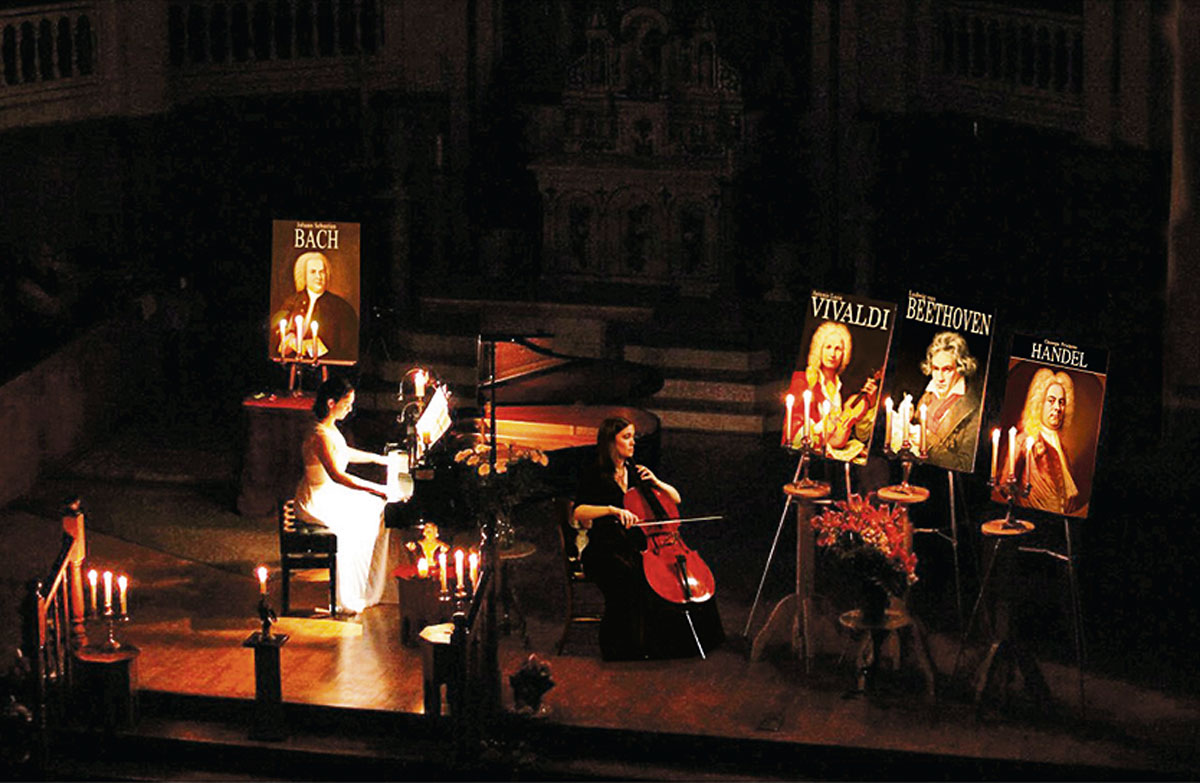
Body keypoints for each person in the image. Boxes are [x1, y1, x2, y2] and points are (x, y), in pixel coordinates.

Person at [572, 417, 723, 661]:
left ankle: (681, 643)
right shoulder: (595, 474)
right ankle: (623, 648)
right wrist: (612, 509)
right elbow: (579, 512)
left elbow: (676, 499)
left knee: (666, 577)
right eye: (626, 437)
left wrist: (656, 482)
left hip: (637, 546)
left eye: (633, 436)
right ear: (611, 442)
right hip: (604, 548)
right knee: (630, 578)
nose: (633, 442)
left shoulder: (636, 472)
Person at [295, 376, 409, 614]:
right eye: (346, 403)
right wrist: (375, 488)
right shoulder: (319, 435)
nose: (350, 408)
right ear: (330, 403)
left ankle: (376, 579)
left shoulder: (329, 428)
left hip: (329, 492)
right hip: (318, 499)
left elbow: (346, 453)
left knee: (379, 509)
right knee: (374, 511)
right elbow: (338, 476)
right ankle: (358, 589)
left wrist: (380, 459)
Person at [785, 320, 879, 460]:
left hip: (837, 451)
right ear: (819, 349)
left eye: (838, 349)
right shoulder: (803, 379)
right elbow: (792, 429)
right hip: (812, 454)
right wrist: (821, 427)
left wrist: (870, 404)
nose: (832, 354)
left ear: (844, 354)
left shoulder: (846, 386)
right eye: (828, 347)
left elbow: (862, 435)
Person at [1004, 368, 1085, 516]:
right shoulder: (1024, 440)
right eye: (1051, 401)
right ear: (1039, 403)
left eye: (1061, 402)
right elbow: (1005, 484)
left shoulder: (1060, 445)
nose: (1057, 408)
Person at [272, 251, 359, 362]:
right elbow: (276, 328)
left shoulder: (341, 307)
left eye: (322, 272)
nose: (318, 276)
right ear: (304, 276)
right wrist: (288, 339)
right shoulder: (291, 302)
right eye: (313, 272)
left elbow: (346, 346)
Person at [916, 331, 982, 472]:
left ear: (960, 368)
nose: (939, 378)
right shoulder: (927, 395)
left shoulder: (974, 410)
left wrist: (926, 440)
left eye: (947, 369)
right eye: (935, 369)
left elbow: (964, 466)